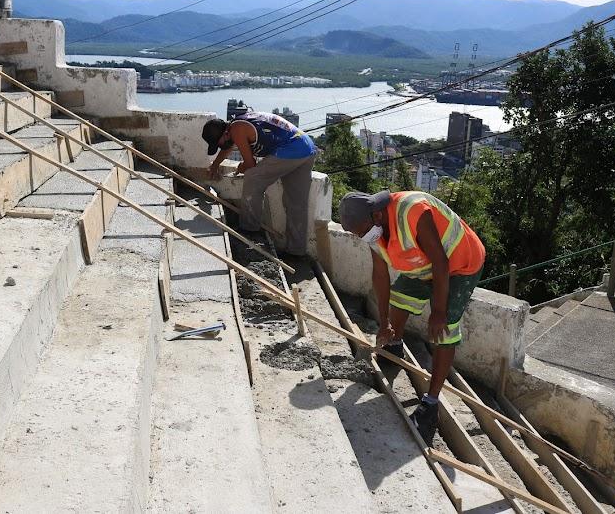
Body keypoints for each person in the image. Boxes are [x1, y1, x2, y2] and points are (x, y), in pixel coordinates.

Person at [338, 189, 486, 443]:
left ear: (377, 215)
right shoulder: (374, 230)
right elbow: (380, 275)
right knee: (400, 299)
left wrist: (438, 312)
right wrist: (383, 323)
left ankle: (431, 403)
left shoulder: (413, 211)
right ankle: (394, 347)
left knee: (445, 330)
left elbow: (441, 262)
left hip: (460, 264)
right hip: (422, 265)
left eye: (362, 231)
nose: (363, 237)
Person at [201, 110, 317, 256]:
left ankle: (249, 228)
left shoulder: (237, 129)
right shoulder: (236, 125)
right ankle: (296, 251)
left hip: (289, 149)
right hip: (306, 148)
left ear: (225, 134)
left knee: (252, 177)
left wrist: (242, 167)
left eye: (219, 144)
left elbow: (250, 164)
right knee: (296, 203)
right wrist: (215, 164)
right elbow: (229, 147)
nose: (220, 147)